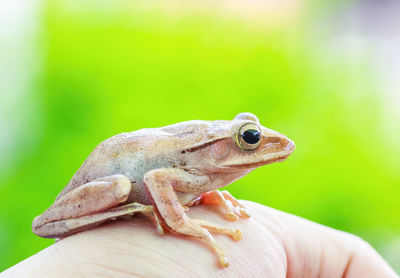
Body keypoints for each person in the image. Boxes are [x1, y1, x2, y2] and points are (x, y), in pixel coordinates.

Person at [2, 201, 398, 277]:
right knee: (125, 184)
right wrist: (185, 224)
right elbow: (157, 180)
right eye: (249, 138)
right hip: (114, 184)